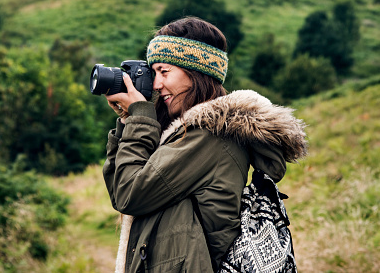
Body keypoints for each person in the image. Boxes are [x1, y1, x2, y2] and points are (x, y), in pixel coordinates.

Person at [102, 17, 307, 273]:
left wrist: (140, 116)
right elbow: (119, 187)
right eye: (153, 73)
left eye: (164, 72)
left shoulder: (210, 136)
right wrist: (128, 119)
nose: (156, 85)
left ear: (197, 72)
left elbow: (129, 194)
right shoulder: (185, 132)